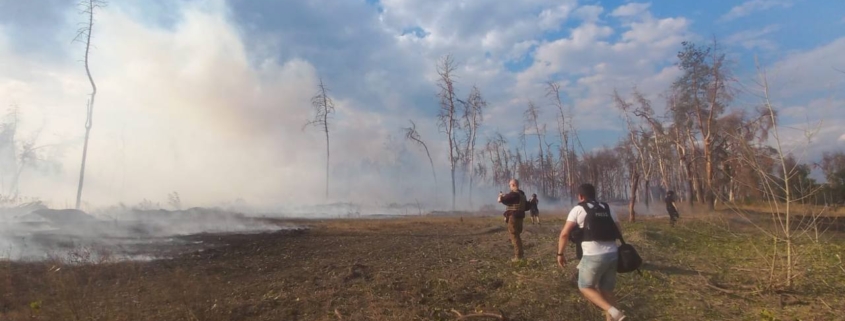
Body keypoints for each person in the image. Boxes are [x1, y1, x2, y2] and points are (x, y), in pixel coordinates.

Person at [557, 184, 627, 321]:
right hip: (613, 254)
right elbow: (619, 231)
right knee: (607, 291)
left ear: (581, 196)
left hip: (593, 256)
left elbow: (564, 234)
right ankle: (614, 315)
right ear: (594, 195)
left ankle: (614, 311)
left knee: (584, 286)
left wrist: (560, 254)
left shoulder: (578, 209)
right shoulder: (607, 208)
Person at [498, 179, 528, 261]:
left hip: (513, 218)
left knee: (514, 236)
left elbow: (502, 200)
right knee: (517, 236)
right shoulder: (522, 194)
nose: (509, 187)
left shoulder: (513, 194)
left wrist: (500, 196)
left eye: (510, 185)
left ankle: (518, 256)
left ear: (513, 185)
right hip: (520, 218)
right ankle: (520, 255)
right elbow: (526, 206)